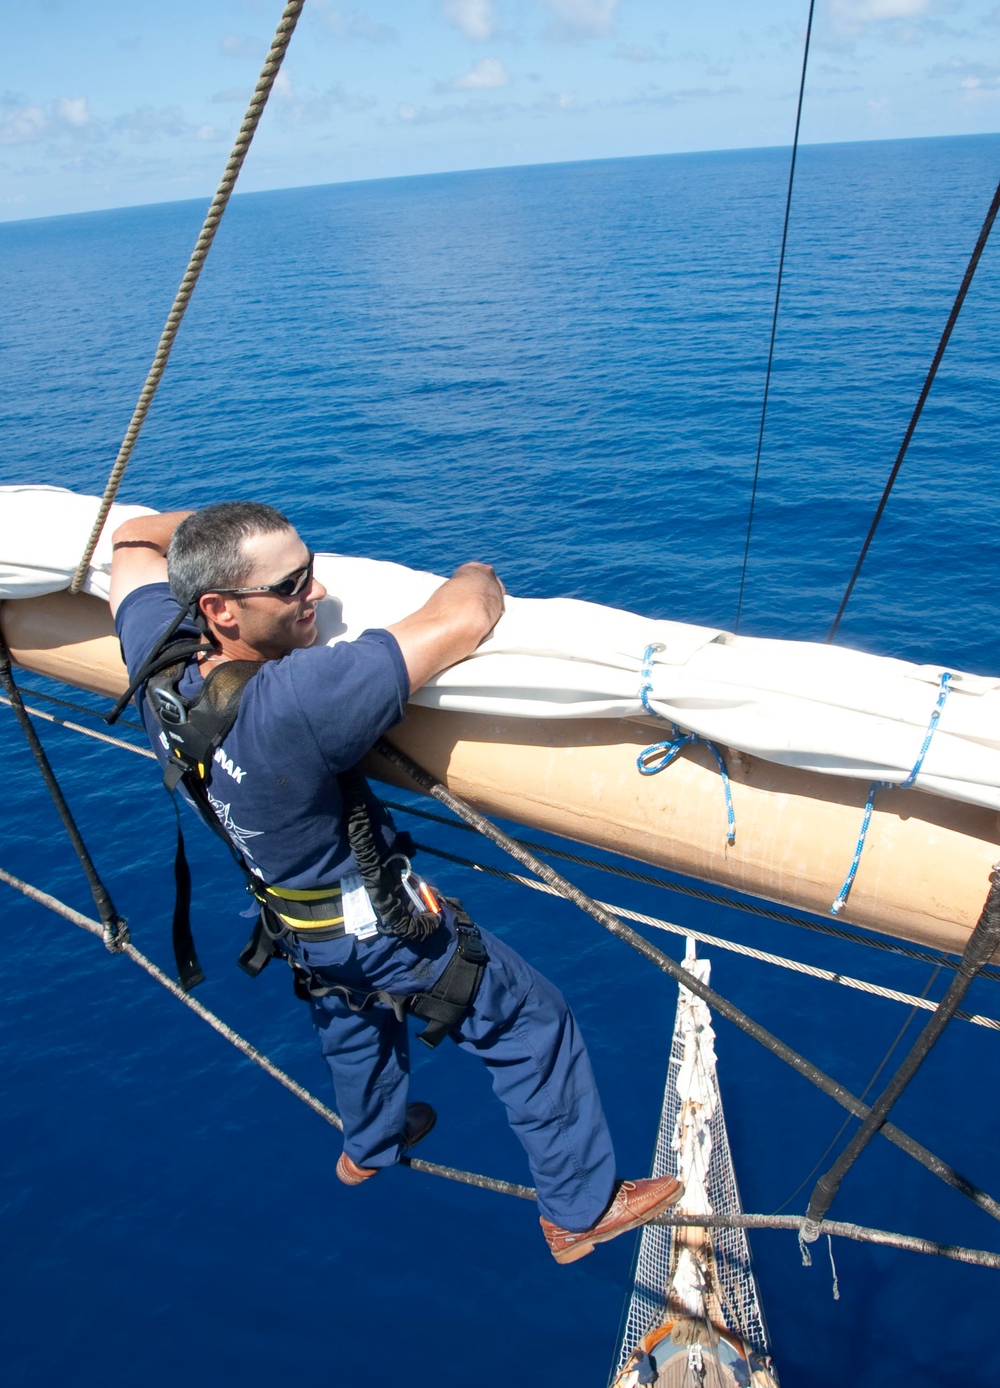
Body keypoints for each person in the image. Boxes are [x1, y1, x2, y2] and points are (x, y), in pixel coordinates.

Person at [110, 501, 682, 1262]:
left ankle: (368, 1145)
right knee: (529, 1021)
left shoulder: (157, 660)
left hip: (296, 923)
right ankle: (580, 1210)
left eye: (311, 571)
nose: (316, 592)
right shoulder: (301, 700)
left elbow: (130, 542)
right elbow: (468, 612)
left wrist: (216, 537)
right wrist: (477, 563)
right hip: (383, 930)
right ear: (218, 608)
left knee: (351, 1006)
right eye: (291, 586)